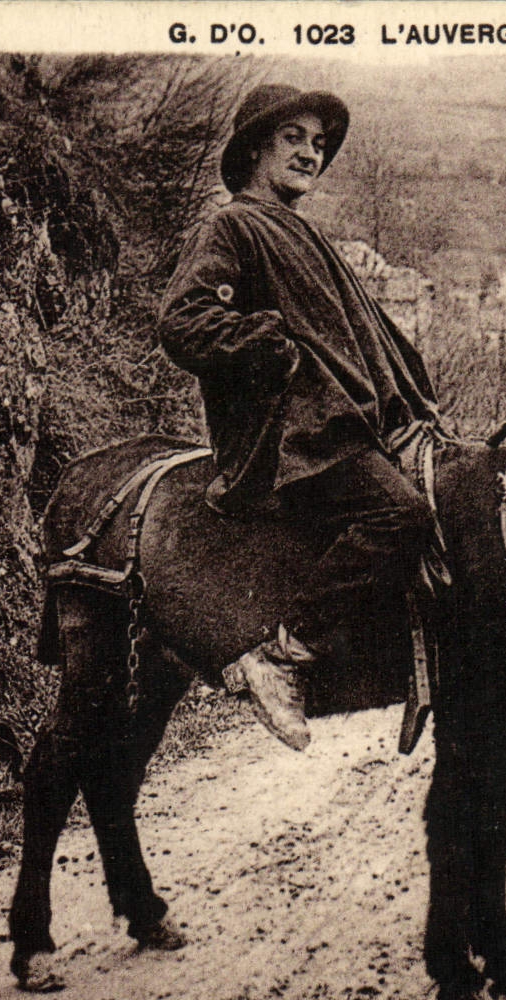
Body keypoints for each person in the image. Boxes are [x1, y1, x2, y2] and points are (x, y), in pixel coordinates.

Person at [158, 85, 441, 752]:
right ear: (255, 147)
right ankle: (282, 654)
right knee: (399, 514)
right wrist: (268, 345)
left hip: (334, 430)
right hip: (287, 439)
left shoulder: (302, 232)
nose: (311, 153)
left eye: (318, 144)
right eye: (294, 138)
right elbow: (182, 322)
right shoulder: (231, 226)